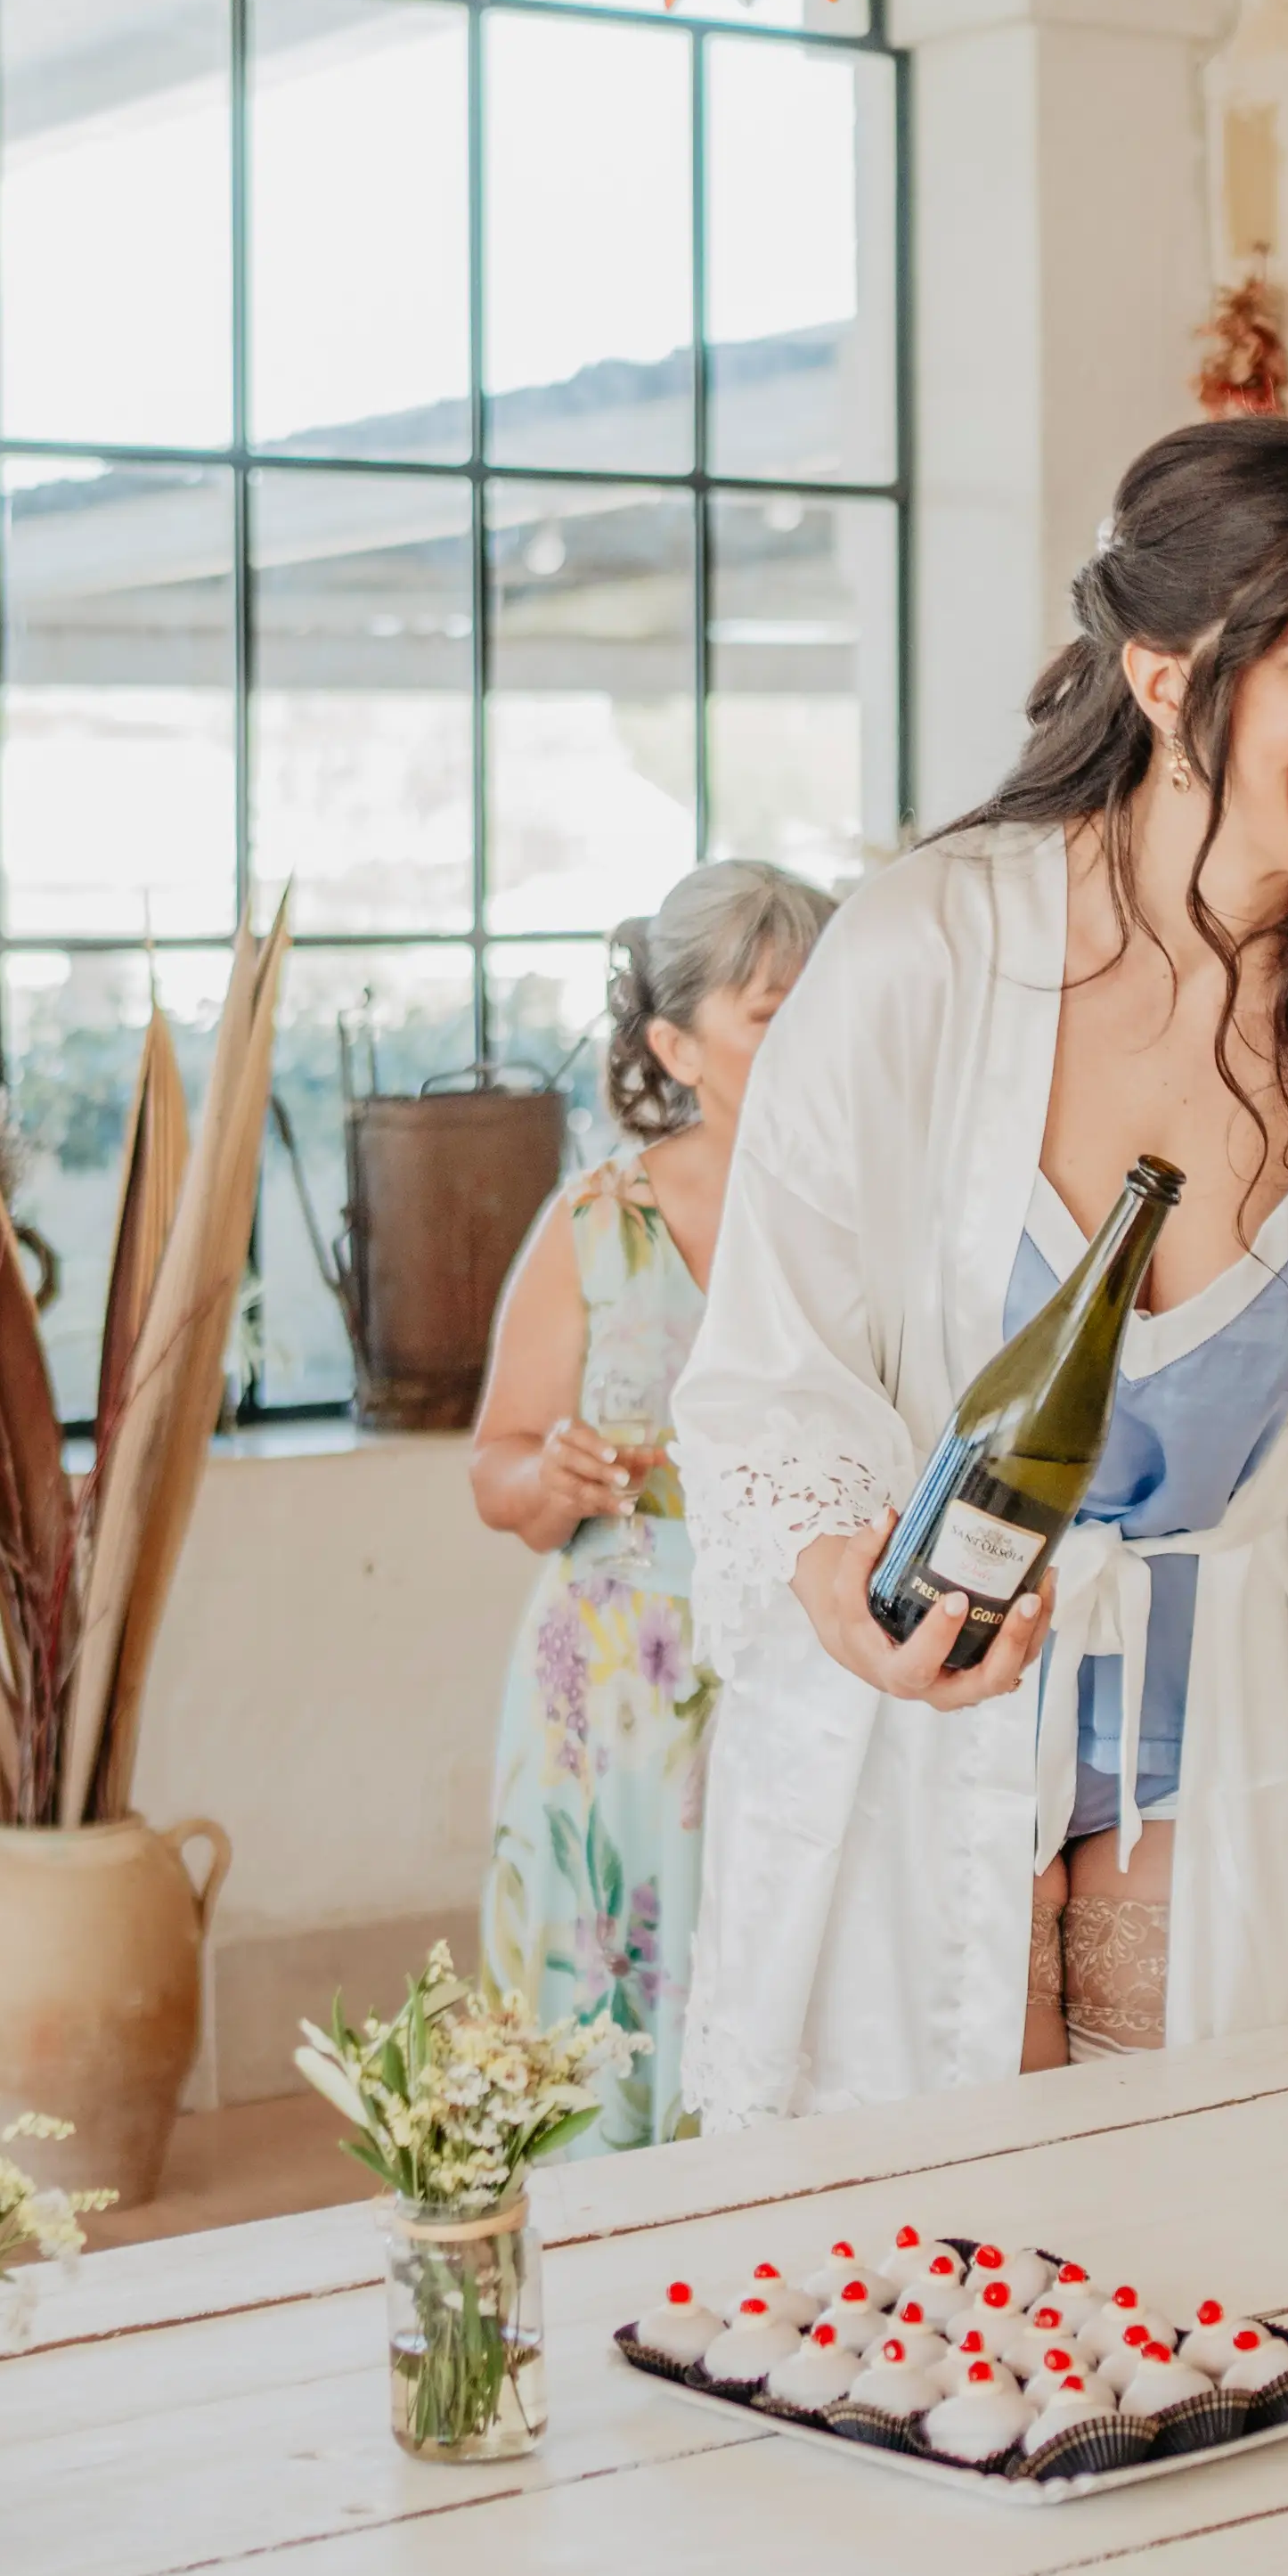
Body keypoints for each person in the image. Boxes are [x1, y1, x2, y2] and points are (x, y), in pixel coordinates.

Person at [673, 418, 1288, 2116]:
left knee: (1209, 2230)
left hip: (1235, 1756)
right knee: (931, 2252)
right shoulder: (921, 956)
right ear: (1166, 679)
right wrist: (849, 1598)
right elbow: (776, 1381)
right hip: (905, 1735)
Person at [463, 859, 834, 2147]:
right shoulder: (597, 1221)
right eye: (773, 1014)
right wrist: (549, 1478)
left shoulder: (870, 1217)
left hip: (809, 1661)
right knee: (605, 2024)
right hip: (613, 1703)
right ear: (677, 1048)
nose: (817, 1037)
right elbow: (497, 1468)